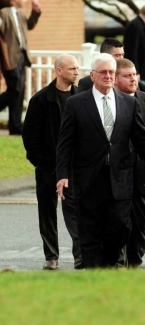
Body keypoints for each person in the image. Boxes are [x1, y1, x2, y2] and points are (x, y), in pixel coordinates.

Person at [56, 53, 145, 269]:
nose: (108, 76)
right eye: (103, 72)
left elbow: (142, 140)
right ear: (93, 75)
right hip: (88, 180)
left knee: (120, 227)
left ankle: (109, 262)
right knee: (89, 230)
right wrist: (62, 175)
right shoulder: (76, 104)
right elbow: (65, 143)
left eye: (111, 72)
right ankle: (96, 272)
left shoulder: (128, 104)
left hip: (120, 179)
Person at [22, 54, 81, 271]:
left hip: (74, 167)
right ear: (59, 71)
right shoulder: (40, 100)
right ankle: (51, 256)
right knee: (47, 211)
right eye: (72, 69)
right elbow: (29, 136)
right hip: (47, 166)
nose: (77, 72)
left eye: (77, 68)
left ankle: (79, 254)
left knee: (75, 211)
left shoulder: (81, 97)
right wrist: (38, 162)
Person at [114, 58, 145, 268]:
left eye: (134, 74)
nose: (133, 79)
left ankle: (134, 262)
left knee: (143, 224)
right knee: (118, 224)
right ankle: (119, 264)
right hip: (118, 176)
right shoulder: (110, 103)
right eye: (127, 75)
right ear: (116, 79)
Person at [0, 0, 41, 135]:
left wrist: (35, 12)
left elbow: (30, 25)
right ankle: (15, 125)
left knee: (19, 92)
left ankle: (15, 127)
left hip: (22, 57)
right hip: (9, 57)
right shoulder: (3, 13)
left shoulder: (20, 14)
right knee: (15, 89)